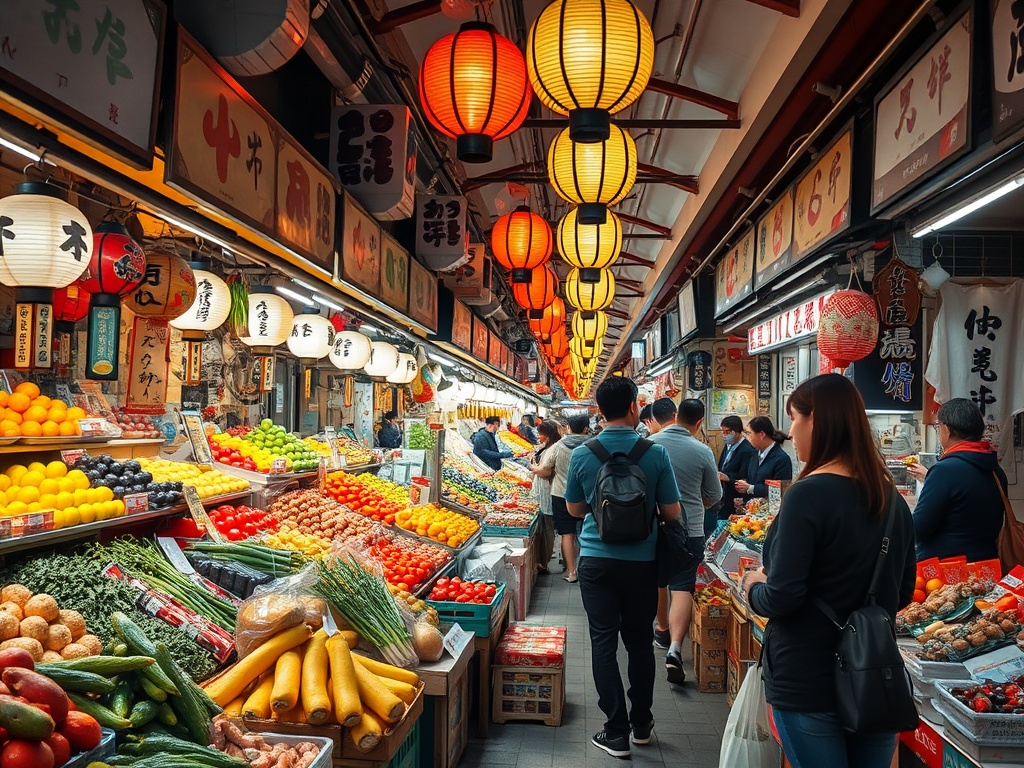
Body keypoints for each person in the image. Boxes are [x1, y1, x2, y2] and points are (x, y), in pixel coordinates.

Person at [739, 374, 916, 768]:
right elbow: (903, 592)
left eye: (794, 419)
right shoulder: (890, 497)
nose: (791, 432)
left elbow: (782, 596)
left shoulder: (807, 494)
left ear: (815, 420)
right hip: (873, 674)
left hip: (807, 676)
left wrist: (752, 586)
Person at [565, 377, 682, 759]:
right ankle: (642, 724)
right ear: (634, 406)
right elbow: (672, 511)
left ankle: (615, 731)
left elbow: (574, 510)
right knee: (638, 643)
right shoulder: (655, 453)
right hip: (642, 564)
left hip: (596, 562)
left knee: (602, 641)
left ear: (599, 409)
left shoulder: (584, 453)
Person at [649, 398, 722, 685]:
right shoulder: (702, 450)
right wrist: (696, 505)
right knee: (683, 586)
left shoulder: (650, 444)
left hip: (653, 527)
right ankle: (676, 648)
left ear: (676, 415)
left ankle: (661, 630)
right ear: (701, 422)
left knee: (658, 581)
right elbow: (714, 495)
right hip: (689, 530)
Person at [906, 399, 1006, 562]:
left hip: (948, 573)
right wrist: (930, 477)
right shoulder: (996, 470)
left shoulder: (945, 471)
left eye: (938, 427)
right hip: (986, 567)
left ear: (946, 429)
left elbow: (918, 529)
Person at [550, 414, 589, 583]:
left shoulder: (559, 446)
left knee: (567, 534)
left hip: (561, 494)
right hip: (586, 495)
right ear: (586, 429)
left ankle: (572, 572)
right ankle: (586, 569)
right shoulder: (593, 445)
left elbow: (545, 466)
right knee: (588, 532)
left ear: (568, 428)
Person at [733, 415, 793, 503]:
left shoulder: (781, 459)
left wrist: (751, 488)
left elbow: (780, 488)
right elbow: (750, 478)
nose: (747, 437)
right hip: (753, 510)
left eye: (749, 433)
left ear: (761, 434)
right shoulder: (754, 454)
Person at [529, 420, 561, 574]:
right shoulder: (549, 446)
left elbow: (546, 471)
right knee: (543, 527)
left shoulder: (553, 448)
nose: (538, 436)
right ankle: (542, 560)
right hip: (542, 492)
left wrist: (533, 468)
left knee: (547, 527)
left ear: (547, 435)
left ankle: (544, 561)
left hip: (547, 492)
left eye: (540, 433)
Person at [717, 415, 756, 519]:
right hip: (725, 495)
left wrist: (728, 477)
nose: (724, 435)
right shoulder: (728, 445)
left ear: (737, 431)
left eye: (727, 432)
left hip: (737, 496)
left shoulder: (747, 449)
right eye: (723, 432)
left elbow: (745, 475)